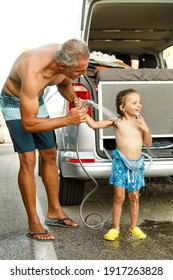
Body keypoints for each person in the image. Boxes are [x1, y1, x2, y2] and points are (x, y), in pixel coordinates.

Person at [0, 39, 90, 241]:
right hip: (14, 102)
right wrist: (67, 119)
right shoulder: (33, 71)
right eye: (80, 70)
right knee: (28, 159)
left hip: (35, 99)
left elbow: (65, 82)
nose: (83, 75)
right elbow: (29, 124)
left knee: (50, 153)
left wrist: (74, 100)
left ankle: (55, 211)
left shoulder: (65, 58)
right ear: (63, 66)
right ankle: (33, 222)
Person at [86, 88, 152, 240]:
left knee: (134, 196)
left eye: (139, 102)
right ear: (123, 107)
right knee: (119, 196)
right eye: (134, 102)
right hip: (120, 164)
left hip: (136, 165)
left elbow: (148, 144)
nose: (139, 105)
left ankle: (134, 227)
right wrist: (83, 114)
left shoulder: (140, 123)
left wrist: (146, 130)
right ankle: (115, 228)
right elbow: (94, 125)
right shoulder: (117, 122)